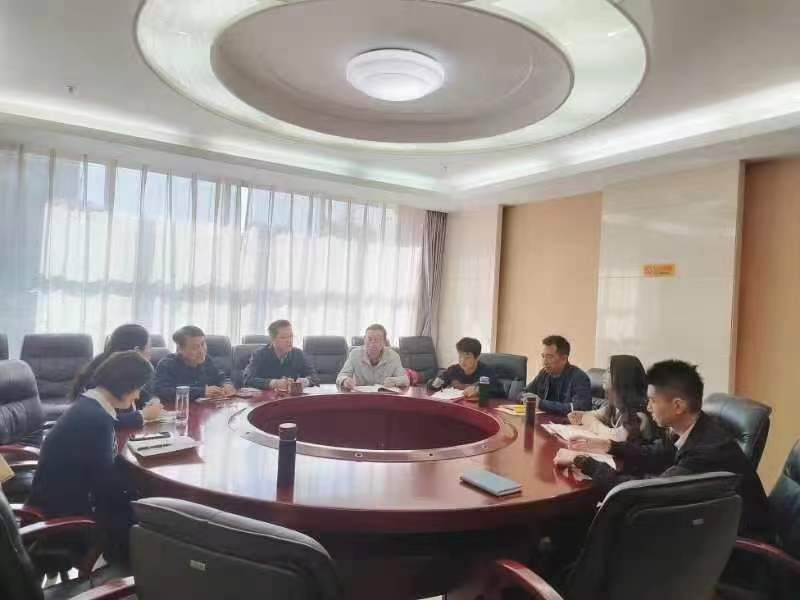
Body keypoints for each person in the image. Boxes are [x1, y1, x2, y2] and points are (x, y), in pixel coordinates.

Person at [571, 359, 770, 537]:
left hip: (734, 548)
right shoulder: (697, 427)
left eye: (653, 400)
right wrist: (610, 446)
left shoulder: (707, 452)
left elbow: (647, 491)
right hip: (707, 526)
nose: (648, 407)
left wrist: (588, 465)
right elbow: (659, 454)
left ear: (678, 406)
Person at [29, 351, 153, 562]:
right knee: (147, 520)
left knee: (133, 499)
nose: (138, 396)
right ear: (126, 386)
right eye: (138, 389)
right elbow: (104, 485)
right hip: (66, 520)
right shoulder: (97, 420)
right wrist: (141, 492)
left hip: (49, 504)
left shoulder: (89, 404)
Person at [72, 323, 162, 429]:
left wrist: (152, 402)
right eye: (149, 347)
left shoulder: (130, 372)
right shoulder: (104, 374)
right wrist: (143, 415)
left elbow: (144, 396)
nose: (151, 352)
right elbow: (102, 421)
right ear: (136, 351)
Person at [567, 354, 656, 443]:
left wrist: (589, 421)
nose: (603, 375)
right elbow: (593, 414)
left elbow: (616, 437)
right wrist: (582, 415)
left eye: (608, 371)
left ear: (623, 377)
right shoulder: (615, 406)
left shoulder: (640, 415)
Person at [152, 325, 235, 402]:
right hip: (178, 411)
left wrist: (227, 384)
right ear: (180, 349)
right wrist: (201, 392)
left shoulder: (206, 360)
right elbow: (162, 391)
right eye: (195, 347)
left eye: (202, 344)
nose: (201, 351)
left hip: (203, 410)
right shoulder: (167, 364)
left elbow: (220, 377)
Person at [243, 319, 319, 391]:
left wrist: (305, 381)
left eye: (291, 336)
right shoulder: (260, 354)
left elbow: (315, 378)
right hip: (267, 398)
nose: (289, 340)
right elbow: (247, 379)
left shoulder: (298, 354)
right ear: (272, 340)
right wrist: (274, 383)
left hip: (289, 398)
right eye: (284, 337)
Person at [526, 335, 592, 415]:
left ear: (564, 359)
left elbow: (578, 408)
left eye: (549, 357)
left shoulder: (579, 378)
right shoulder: (544, 373)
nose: (544, 362)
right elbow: (524, 392)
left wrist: (541, 404)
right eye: (543, 356)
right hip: (545, 420)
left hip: (566, 422)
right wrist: (525, 397)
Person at [428, 337, 504, 400]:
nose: (462, 361)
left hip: (477, 409)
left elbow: (500, 392)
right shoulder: (453, 370)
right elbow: (431, 385)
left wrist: (478, 390)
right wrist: (436, 382)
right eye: (460, 356)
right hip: (457, 407)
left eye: (467, 357)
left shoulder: (486, 372)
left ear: (477, 357)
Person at [337, 324, 409, 389]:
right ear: (364, 339)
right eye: (369, 339)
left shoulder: (393, 356)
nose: (372, 344)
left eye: (377, 340)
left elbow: (405, 380)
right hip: (361, 395)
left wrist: (394, 381)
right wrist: (345, 380)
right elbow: (341, 376)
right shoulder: (354, 354)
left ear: (384, 342)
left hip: (383, 396)